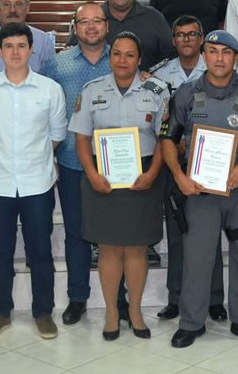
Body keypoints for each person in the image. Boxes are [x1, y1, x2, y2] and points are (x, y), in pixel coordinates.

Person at [161, 30, 238, 348]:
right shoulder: (186, 93)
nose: (219, 58)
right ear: (203, 56)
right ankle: (191, 322)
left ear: (236, 58)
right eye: (212, 51)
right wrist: (179, 176)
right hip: (199, 194)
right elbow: (168, 139)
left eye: (226, 52)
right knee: (197, 258)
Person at [68, 32, 170, 341]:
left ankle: (135, 311)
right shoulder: (92, 90)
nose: (122, 60)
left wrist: (152, 174)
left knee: (137, 248)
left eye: (129, 55)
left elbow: (165, 138)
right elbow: (82, 138)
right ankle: (112, 312)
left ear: (140, 60)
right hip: (103, 178)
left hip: (143, 175)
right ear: (110, 58)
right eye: (117, 54)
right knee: (109, 247)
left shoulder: (158, 90)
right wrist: (91, 174)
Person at [0, 22, 67, 341]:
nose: (15, 52)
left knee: (40, 251)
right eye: (9, 46)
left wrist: (33, 158)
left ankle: (43, 312)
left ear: (31, 50)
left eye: (21, 45)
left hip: (37, 183)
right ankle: (1, 312)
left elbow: (56, 134)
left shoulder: (49, 89)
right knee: (0, 252)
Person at [41, 2, 112, 326]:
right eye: (84, 22)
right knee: (76, 233)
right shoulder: (57, 65)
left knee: (116, 234)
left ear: (107, 26)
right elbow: (44, 109)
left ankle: (119, 299)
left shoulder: (122, 59)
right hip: (72, 161)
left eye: (97, 21)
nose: (91, 27)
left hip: (116, 162)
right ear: (75, 27)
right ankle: (77, 298)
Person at [152, 15, 226, 322]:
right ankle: (176, 297)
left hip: (210, 162)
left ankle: (214, 299)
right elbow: (159, 117)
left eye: (193, 34)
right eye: (181, 35)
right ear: (173, 40)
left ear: (202, 39)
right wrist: (175, 140)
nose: (187, 39)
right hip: (175, 163)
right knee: (177, 231)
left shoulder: (217, 68)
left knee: (211, 233)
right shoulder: (159, 74)